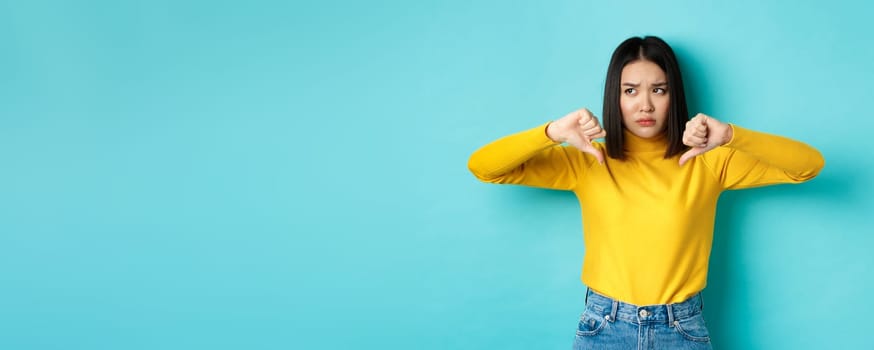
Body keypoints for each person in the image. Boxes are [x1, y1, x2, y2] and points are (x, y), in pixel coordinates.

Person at [467, 36, 824, 349]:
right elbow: (484, 167)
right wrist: (551, 132)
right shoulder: (590, 159)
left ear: (674, 95)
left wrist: (731, 136)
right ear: (615, 96)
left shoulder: (708, 162)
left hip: (681, 328)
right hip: (604, 326)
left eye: (659, 89)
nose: (645, 105)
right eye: (630, 90)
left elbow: (807, 165)